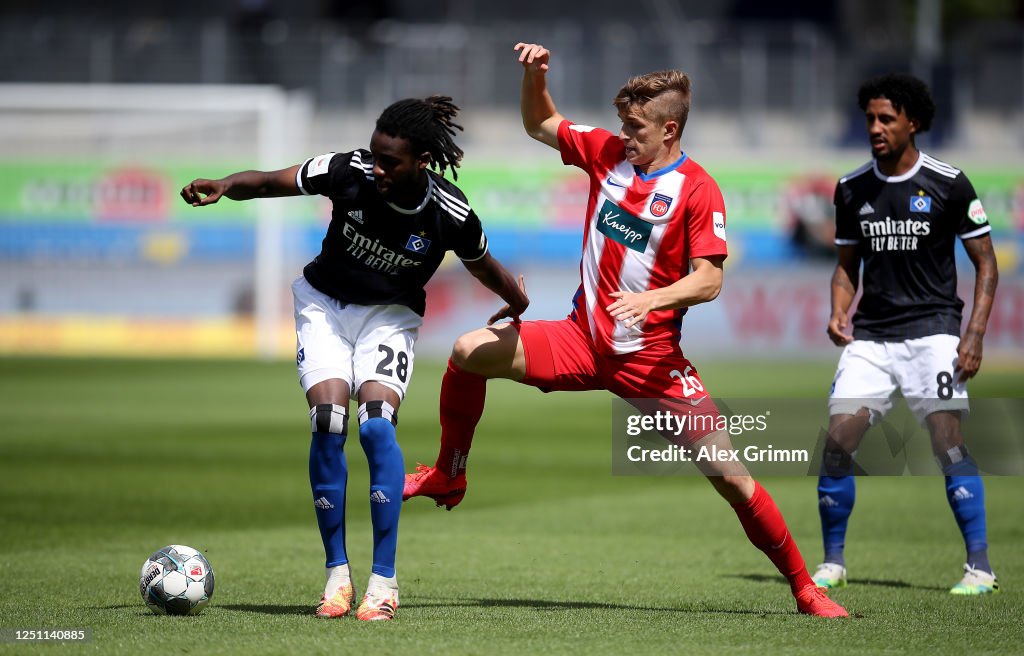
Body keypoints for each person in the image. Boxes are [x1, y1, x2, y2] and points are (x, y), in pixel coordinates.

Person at [403, 42, 848, 618]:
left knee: (733, 480)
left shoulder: (697, 189)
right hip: (581, 340)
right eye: (621, 124)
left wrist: (654, 299)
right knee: (467, 351)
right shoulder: (608, 154)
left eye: (635, 127)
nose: (624, 135)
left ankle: (804, 589)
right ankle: (448, 475)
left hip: (651, 364)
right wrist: (536, 76)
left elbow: (709, 280)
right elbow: (539, 121)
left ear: (669, 129)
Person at [180, 96, 529, 620]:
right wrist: (227, 185)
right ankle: (337, 577)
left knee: (375, 430)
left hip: (390, 317)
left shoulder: (450, 213)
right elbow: (275, 180)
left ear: (421, 162)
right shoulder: (348, 169)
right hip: (324, 304)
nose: (379, 168)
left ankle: (383, 584)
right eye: (376, 154)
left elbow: (483, 266)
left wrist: (518, 300)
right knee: (327, 420)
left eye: (392, 161)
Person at [813, 73, 1000, 594]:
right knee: (837, 441)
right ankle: (832, 562)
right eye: (869, 118)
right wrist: (837, 312)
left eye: (886, 119)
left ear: (912, 122)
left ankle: (980, 567)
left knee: (948, 443)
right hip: (871, 337)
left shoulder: (949, 182)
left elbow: (986, 264)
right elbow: (846, 266)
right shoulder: (852, 188)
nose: (875, 127)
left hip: (935, 333)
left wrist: (975, 333)